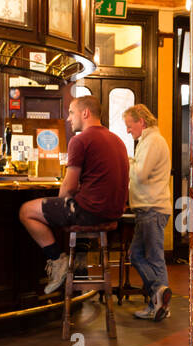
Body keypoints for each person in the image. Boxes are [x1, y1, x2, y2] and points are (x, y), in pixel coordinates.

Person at [18, 94, 129, 296]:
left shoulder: (80, 140)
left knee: (26, 210)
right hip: (113, 214)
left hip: (90, 213)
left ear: (85, 113)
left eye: (71, 112)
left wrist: (58, 207)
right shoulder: (117, 140)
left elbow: (67, 189)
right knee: (64, 206)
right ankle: (78, 260)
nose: (68, 118)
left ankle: (58, 261)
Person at [124, 103, 172, 321]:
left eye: (129, 125)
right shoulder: (148, 141)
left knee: (152, 257)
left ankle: (159, 297)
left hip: (153, 207)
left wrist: (127, 161)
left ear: (141, 122)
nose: (127, 130)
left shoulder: (152, 141)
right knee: (137, 255)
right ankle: (160, 298)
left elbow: (141, 174)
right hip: (148, 207)